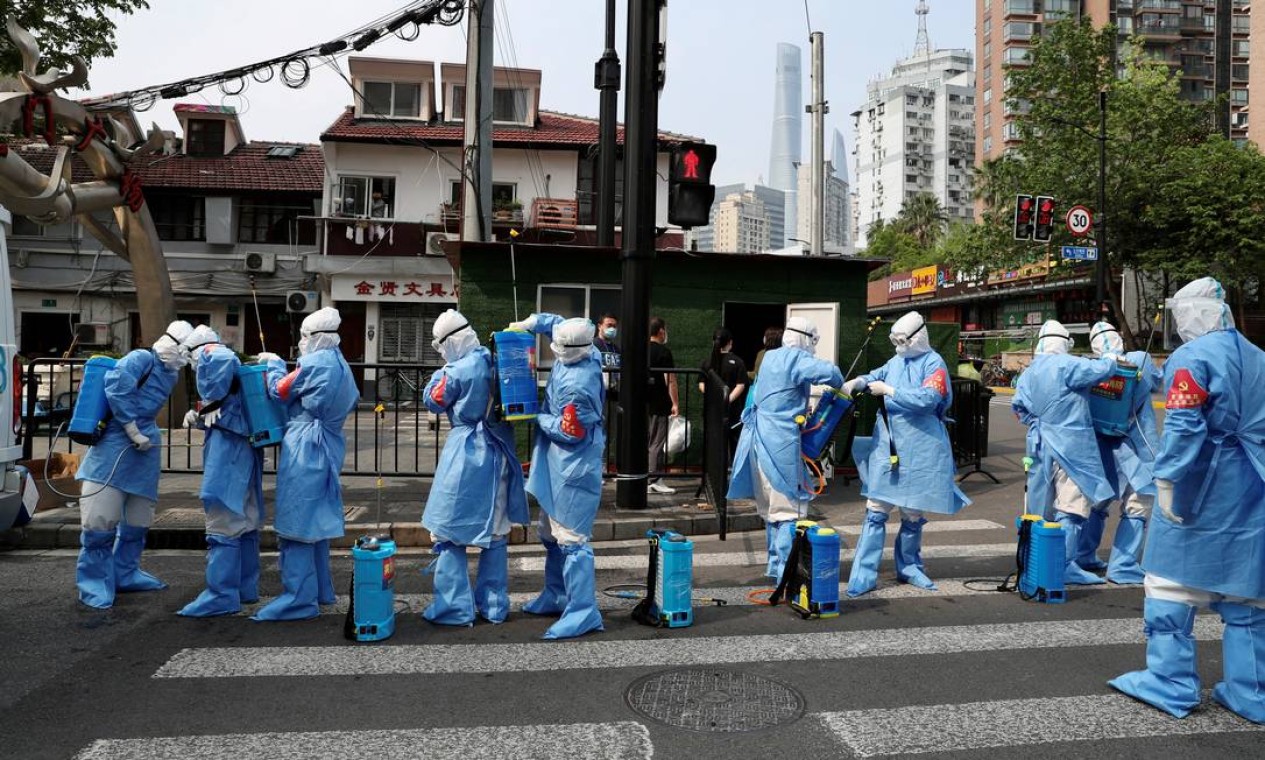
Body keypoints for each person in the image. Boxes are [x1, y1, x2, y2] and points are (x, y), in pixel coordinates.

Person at [1110, 277, 1265, 724]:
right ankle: (1250, 691)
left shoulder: (1191, 358)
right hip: (1252, 481)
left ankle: (1170, 682)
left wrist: (1168, 478)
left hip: (1202, 481)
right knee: (1247, 589)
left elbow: (1185, 425)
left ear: (1191, 314)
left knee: (1168, 582)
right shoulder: (1258, 358)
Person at [844, 311, 970, 596]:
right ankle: (863, 575)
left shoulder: (933, 363)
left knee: (912, 513)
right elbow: (875, 375)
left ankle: (910, 567)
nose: (898, 345)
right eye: (895, 340)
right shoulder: (895, 361)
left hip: (921, 447)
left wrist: (890, 390)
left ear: (917, 337)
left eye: (902, 340)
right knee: (876, 510)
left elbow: (928, 399)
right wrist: (858, 382)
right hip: (888, 445)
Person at [420, 310, 529, 626]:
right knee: (495, 531)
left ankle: (454, 608)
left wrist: (441, 375)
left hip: (466, 452)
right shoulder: (495, 358)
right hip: (500, 450)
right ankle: (494, 606)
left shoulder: (456, 371)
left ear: (449, 342)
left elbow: (433, 401)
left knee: (448, 529)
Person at [75, 320, 193, 609]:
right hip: (115, 446)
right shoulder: (141, 358)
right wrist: (130, 429)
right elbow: (116, 387)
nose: (185, 357)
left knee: (139, 518)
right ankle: (93, 582)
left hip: (144, 450)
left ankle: (125, 572)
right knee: (100, 521)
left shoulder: (171, 374)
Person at [253, 307, 358, 621]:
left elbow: (278, 390)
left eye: (303, 336)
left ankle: (298, 599)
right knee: (316, 521)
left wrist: (272, 364)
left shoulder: (312, 364)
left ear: (316, 337)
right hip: (329, 442)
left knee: (297, 522)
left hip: (305, 445)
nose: (301, 342)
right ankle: (322, 590)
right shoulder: (341, 364)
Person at [508, 312, 605, 640]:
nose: (555, 347)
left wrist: (537, 416)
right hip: (557, 465)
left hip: (572, 468)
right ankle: (556, 594)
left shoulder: (579, 385)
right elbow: (558, 323)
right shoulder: (587, 350)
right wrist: (531, 323)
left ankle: (582, 610)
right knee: (550, 534)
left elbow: (570, 432)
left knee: (571, 539)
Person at [728, 316, 843, 581]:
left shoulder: (770, 357)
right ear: (804, 338)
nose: (813, 347)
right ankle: (786, 576)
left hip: (758, 440)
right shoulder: (796, 358)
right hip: (780, 444)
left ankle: (774, 565)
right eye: (813, 341)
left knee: (772, 511)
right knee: (789, 512)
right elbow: (832, 375)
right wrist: (844, 385)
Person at [1011, 319, 1119, 586]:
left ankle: (1035, 562)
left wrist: (1039, 424)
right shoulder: (1069, 365)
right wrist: (1111, 351)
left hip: (1038, 445)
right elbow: (1104, 369)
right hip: (1071, 446)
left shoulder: (1029, 371)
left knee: (1039, 507)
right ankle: (1065, 565)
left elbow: (1018, 408)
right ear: (1064, 343)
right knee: (1071, 506)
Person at [176, 325, 265, 617]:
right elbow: (229, 413)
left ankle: (221, 595)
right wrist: (203, 415)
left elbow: (219, 361)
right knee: (247, 519)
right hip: (244, 451)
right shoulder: (234, 373)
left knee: (223, 521)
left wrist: (210, 399)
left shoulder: (216, 357)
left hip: (228, 455)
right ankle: (245, 588)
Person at [1077, 320, 1161, 585]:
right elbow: (1157, 382)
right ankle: (1123, 565)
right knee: (1137, 504)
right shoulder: (1140, 359)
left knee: (1098, 502)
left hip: (1102, 448)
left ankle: (1083, 554)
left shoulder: (1092, 369)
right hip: (1137, 445)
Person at [698, 327, 748, 463]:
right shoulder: (737, 362)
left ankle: (712, 473)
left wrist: (714, 397)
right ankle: (733, 472)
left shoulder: (707, 362)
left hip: (711, 410)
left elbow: (701, 384)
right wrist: (727, 400)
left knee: (712, 442)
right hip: (732, 410)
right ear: (730, 343)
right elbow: (741, 385)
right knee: (734, 441)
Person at [647, 317, 678, 494]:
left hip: (641, 402)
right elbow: (670, 379)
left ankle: (644, 476)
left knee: (646, 441)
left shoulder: (640, 350)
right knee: (657, 442)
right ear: (660, 331)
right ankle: (655, 479)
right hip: (659, 402)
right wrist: (675, 403)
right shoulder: (663, 352)